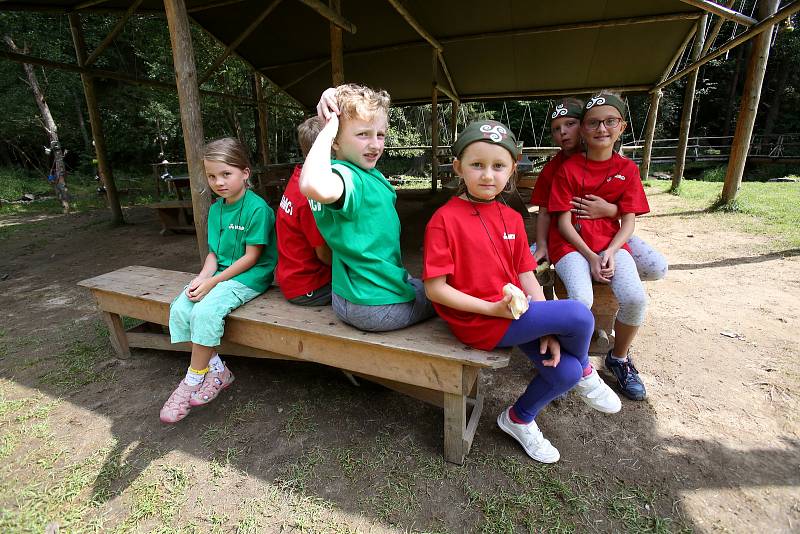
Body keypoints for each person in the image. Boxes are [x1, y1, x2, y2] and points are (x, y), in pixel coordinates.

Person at [423, 120, 621, 463]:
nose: (488, 175)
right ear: (458, 168)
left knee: (564, 371)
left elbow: (525, 273)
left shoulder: (512, 216)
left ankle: (518, 418)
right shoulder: (444, 218)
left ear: (513, 169)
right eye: (477, 165)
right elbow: (435, 290)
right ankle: (589, 370)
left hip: (513, 314)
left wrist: (548, 327)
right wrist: (492, 311)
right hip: (477, 321)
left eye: (498, 166)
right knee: (576, 313)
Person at [299, 84, 435, 332]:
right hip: (376, 308)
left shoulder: (361, 172)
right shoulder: (345, 177)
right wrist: (328, 129)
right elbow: (310, 184)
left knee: (416, 283)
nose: (375, 145)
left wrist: (334, 92)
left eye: (380, 135)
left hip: (346, 299)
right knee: (443, 294)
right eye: (363, 135)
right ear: (336, 143)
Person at [160, 138, 278, 423]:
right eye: (212, 176)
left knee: (205, 311)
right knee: (181, 306)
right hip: (220, 273)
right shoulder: (216, 209)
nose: (219, 182)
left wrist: (213, 283)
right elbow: (214, 253)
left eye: (226, 174)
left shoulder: (258, 209)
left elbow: (251, 258)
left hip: (250, 277)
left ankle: (191, 380)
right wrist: (202, 278)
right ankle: (218, 370)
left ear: (245, 173)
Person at [548, 93, 651, 401]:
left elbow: (629, 222)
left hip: (612, 244)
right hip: (571, 246)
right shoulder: (567, 169)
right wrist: (592, 256)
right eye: (593, 122)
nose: (601, 128)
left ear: (621, 127)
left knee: (634, 298)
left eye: (610, 122)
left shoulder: (628, 169)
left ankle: (618, 358)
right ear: (584, 128)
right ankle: (574, 366)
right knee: (581, 299)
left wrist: (610, 250)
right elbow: (563, 223)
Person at [531, 98, 668, 282]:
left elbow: (628, 212)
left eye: (570, 124)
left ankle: (610, 273)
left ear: (584, 126)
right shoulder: (553, 169)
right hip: (566, 238)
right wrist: (541, 244)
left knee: (657, 267)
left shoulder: (614, 161)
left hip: (606, 234)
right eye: (556, 128)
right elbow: (544, 213)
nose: (563, 131)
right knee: (525, 267)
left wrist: (611, 210)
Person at [276, 116, 333, 305]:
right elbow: (323, 255)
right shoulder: (312, 194)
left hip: (292, 278)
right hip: (308, 287)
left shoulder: (299, 177)